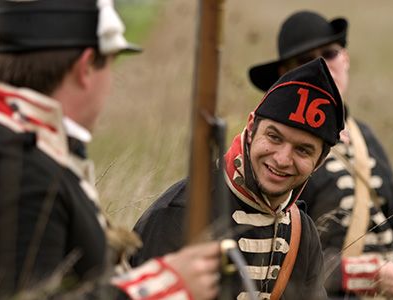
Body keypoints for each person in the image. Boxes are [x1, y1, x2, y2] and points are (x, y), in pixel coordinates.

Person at [0, 0, 221, 299]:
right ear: (85, 68)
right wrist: (166, 285)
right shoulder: (15, 163)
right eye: (111, 62)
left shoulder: (23, 146)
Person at [247, 11, 393, 300]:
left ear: (345, 59)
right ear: (287, 75)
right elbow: (277, 253)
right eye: (305, 59)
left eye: (329, 53)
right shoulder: (279, 156)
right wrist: (361, 275)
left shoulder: (364, 137)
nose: (322, 65)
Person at [131, 58, 344, 299]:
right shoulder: (179, 213)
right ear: (251, 127)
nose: (283, 159)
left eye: (302, 150)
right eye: (274, 137)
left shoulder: (302, 234)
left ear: (319, 161)